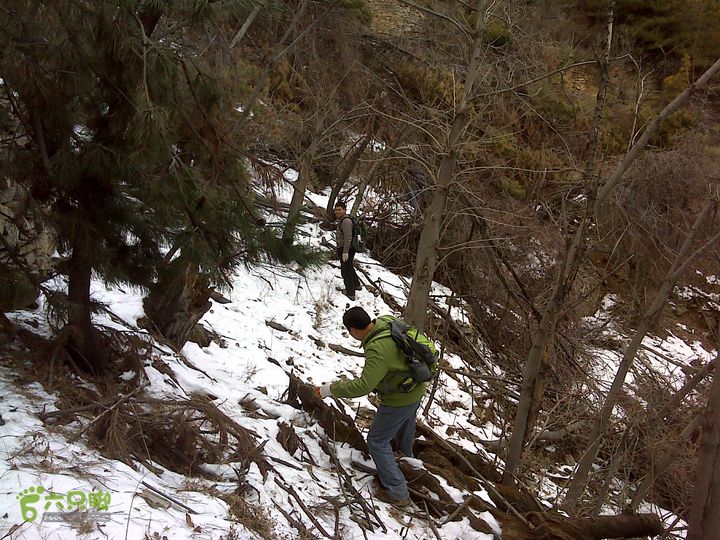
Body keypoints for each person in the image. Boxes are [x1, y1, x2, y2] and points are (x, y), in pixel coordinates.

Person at [314, 307, 435, 507]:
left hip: (399, 399)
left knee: (377, 441)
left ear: (353, 330)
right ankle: (408, 463)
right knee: (404, 428)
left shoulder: (377, 349)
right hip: (415, 388)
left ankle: (398, 493)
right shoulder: (386, 322)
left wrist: (331, 389)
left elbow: (364, 386)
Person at [334, 201, 361, 300]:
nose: (337, 212)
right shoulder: (343, 220)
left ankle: (350, 293)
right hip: (346, 248)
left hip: (346, 248)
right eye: (336, 210)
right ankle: (356, 285)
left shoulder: (346, 221)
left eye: (339, 210)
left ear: (344, 210)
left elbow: (348, 237)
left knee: (345, 271)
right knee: (349, 267)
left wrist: (345, 252)